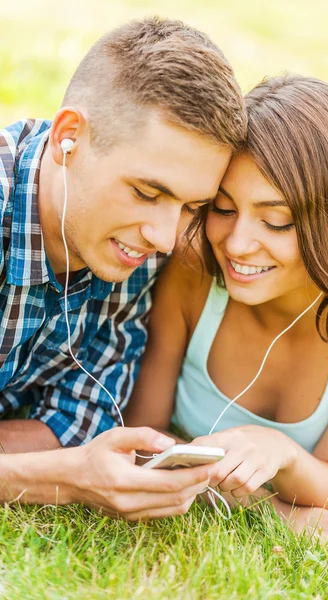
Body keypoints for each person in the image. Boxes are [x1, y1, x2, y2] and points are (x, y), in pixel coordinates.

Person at [126, 74, 328, 536]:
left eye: (275, 222)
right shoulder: (193, 263)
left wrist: (283, 454)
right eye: (225, 209)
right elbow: (143, 443)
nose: (236, 244)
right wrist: (282, 515)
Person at [0, 17, 247, 519]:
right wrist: (61, 478)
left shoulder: (128, 248)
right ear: (70, 137)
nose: (164, 237)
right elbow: (64, 451)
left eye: (190, 206)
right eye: (147, 192)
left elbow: (79, 416)